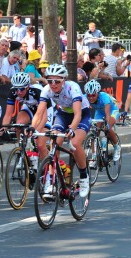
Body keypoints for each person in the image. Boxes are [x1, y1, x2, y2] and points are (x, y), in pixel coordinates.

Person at [29, 64, 91, 198]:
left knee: (74, 144)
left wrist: (72, 129)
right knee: (54, 142)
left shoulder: (72, 88)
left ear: (64, 80)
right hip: (63, 115)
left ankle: (84, 176)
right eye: (50, 80)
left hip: (81, 115)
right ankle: (51, 180)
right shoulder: (47, 90)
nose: (53, 84)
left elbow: (78, 114)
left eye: (57, 81)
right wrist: (32, 128)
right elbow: (39, 113)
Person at [0, 72, 53, 164]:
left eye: (21, 89)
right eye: (16, 89)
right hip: (29, 107)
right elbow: (8, 114)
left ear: (28, 87)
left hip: (45, 110)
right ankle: (22, 150)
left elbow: (43, 117)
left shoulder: (37, 91)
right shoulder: (13, 92)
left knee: (39, 141)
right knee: (18, 124)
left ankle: (47, 168)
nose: (19, 92)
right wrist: (4, 127)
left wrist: (36, 131)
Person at [85, 79, 121, 164]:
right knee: (94, 131)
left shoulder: (104, 97)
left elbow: (108, 114)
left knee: (107, 127)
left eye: (93, 95)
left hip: (112, 110)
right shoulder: (84, 97)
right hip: (100, 112)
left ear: (97, 93)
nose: (91, 97)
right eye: (89, 95)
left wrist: (107, 124)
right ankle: (94, 157)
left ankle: (117, 146)